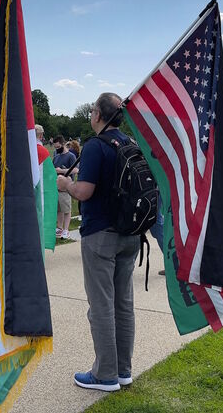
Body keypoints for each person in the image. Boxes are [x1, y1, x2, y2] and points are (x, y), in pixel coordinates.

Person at [57, 92, 138, 392]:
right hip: (130, 232)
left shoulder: (95, 146)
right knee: (123, 304)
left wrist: (65, 183)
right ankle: (123, 370)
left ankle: (105, 375)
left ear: (99, 115)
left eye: (92, 109)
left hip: (101, 234)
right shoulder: (129, 143)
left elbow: (84, 192)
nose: (90, 114)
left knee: (101, 305)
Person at [53, 135, 77, 240]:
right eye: (55, 147)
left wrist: (62, 171)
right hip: (56, 187)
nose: (56, 149)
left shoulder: (71, 156)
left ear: (63, 144)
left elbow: (76, 170)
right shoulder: (56, 157)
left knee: (66, 209)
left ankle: (66, 230)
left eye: (58, 147)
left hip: (66, 188)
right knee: (59, 209)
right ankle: (59, 227)